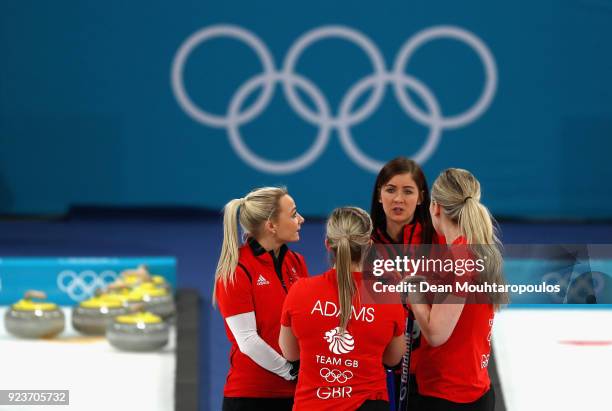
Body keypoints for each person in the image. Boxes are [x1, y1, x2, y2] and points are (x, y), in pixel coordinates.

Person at [279, 207, 406, 411]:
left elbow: (290, 353)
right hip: (369, 404)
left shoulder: (300, 291)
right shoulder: (387, 297)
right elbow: (393, 358)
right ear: (369, 246)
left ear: (328, 244)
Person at [408, 168, 509, 411]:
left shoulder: (457, 259)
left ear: (436, 207)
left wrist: (412, 290)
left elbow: (436, 333)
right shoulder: (480, 248)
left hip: (444, 394)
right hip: (474, 388)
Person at [213, 187, 308, 411]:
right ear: (271, 225)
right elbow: (247, 341)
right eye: (293, 214)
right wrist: (291, 371)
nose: (301, 219)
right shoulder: (236, 270)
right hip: (252, 397)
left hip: (297, 394)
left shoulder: (296, 262)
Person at [369, 157, 443, 409]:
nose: (398, 199)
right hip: (378, 370)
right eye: (390, 190)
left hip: (431, 372)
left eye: (407, 191)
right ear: (379, 195)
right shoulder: (364, 244)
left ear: (422, 197)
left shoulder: (438, 241)